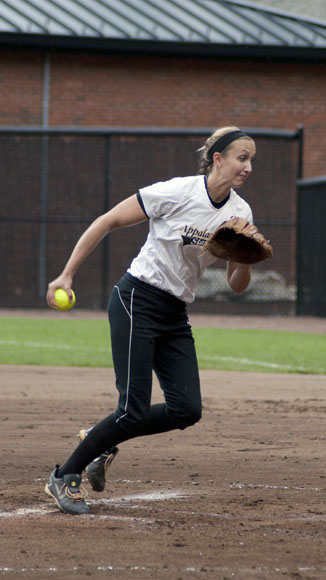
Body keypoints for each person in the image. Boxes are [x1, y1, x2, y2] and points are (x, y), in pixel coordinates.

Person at [45, 125, 258, 515]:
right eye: (241, 158)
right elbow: (107, 221)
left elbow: (236, 283)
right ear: (217, 159)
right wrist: (66, 275)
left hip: (175, 313)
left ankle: (98, 437)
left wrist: (244, 256)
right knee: (133, 409)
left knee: (186, 409)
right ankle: (65, 474)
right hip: (137, 299)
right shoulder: (177, 192)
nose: (247, 167)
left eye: (251, 161)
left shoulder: (239, 213)